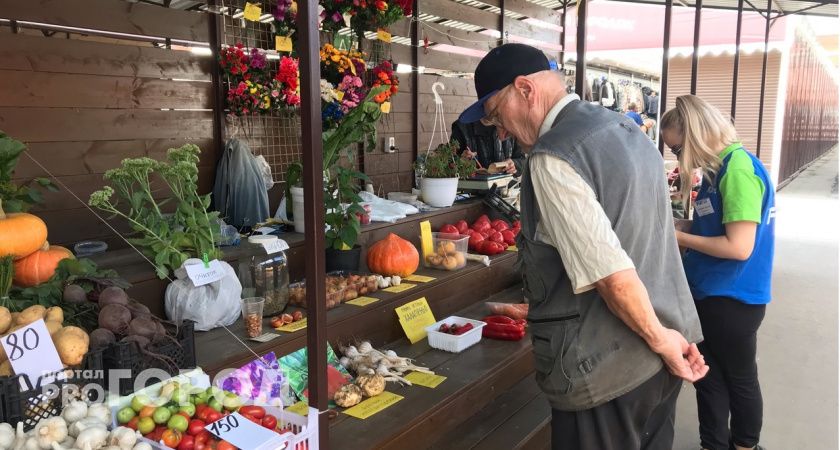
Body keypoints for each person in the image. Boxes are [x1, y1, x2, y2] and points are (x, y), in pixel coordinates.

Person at [458, 43, 707, 450]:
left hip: (607, 370)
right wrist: (667, 338)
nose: (498, 131)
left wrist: (659, 338)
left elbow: (613, 276)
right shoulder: (626, 130)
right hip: (664, 350)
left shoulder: (553, 158)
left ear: (525, 89)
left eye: (495, 115)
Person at [661, 95, 775, 450]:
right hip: (714, 293)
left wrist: (675, 237)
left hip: (732, 298)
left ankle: (743, 445)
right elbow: (714, 224)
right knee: (708, 378)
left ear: (695, 134)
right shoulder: (720, 169)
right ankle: (714, 444)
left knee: (736, 378)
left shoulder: (738, 170)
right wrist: (679, 224)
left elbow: (739, 246)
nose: (680, 159)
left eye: (679, 148)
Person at [450, 119, 525, 175]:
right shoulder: (462, 128)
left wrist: (515, 164)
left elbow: (523, 160)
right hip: (472, 191)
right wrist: (460, 161)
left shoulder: (512, 123)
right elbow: (447, 165)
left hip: (507, 191)